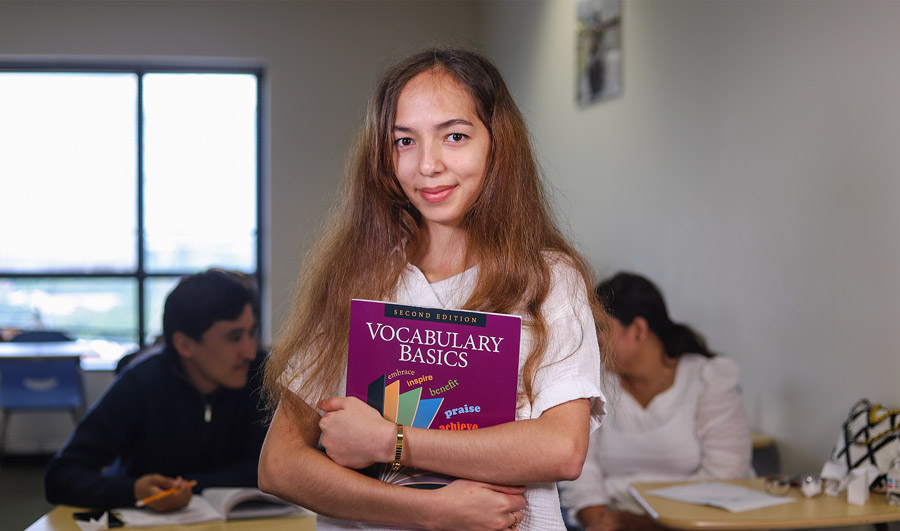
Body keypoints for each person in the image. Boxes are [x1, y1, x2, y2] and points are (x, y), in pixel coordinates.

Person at [258, 47, 610, 531]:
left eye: (455, 136)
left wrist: (391, 442)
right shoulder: (359, 276)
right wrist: (433, 510)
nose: (428, 165)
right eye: (405, 141)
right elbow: (279, 465)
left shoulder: (548, 279)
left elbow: (562, 450)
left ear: (497, 144)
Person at [44, 269, 267, 511]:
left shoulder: (262, 375)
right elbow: (60, 476)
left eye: (251, 333)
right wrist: (133, 491)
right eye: (234, 338)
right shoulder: (140, 383)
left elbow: (269, 467)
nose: (250, 351)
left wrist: (190, 486)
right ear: (184, 345)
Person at [558, 272, 753, 531]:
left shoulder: (708, 379)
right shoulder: (595, 385)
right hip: (612, 523)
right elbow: (581, 470)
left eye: (601, 329)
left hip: (697, 523)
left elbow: (727, 475)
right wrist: (599, 521)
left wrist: (643, 522)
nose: (593, 342)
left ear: (638, 330)